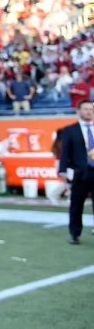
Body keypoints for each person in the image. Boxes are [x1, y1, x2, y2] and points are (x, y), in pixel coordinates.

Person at [58, 100, 94, 244]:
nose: (89, 111)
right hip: (80, 172)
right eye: (85, 109)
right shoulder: (70, 130)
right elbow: (64, 152)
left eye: (91, 109)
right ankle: (75, 233)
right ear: (79, 111)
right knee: (76, 205)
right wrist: (62, 170)